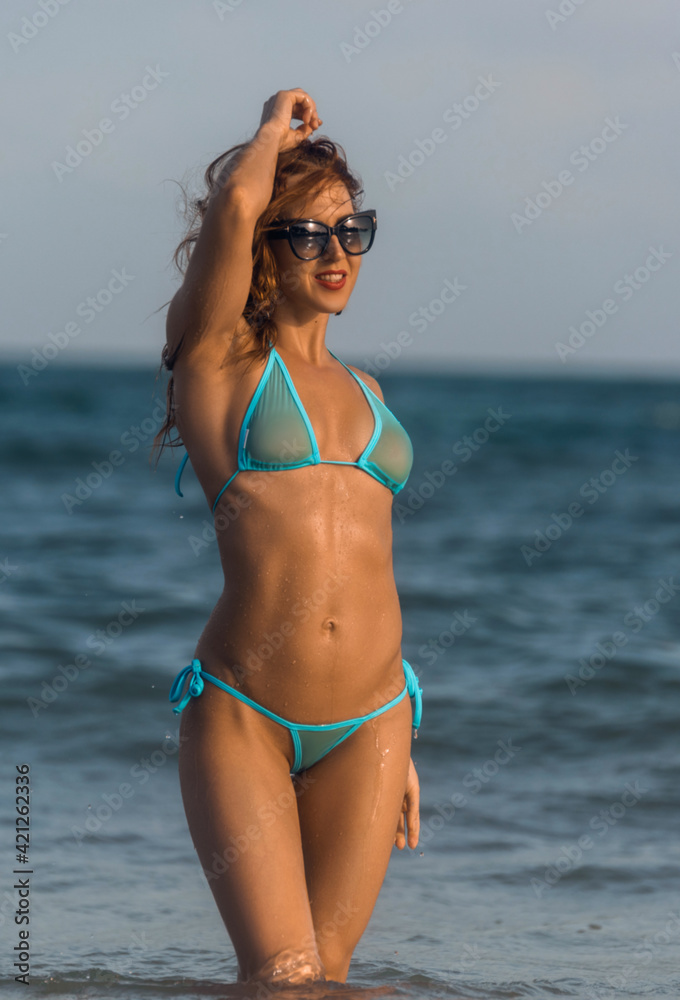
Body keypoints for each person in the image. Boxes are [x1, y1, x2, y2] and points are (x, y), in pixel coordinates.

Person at [151, 88, 423, 987]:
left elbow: (368, 563)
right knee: (283, 973)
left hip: (375, 717)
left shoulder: (369, 389)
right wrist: (271, 134)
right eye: (307, 233)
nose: (337, 252)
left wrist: (404, 739)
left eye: (351, 230)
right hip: (246, 714)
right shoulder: (218, 362)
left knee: (333, 977)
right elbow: (234, 205)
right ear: (263, 250)